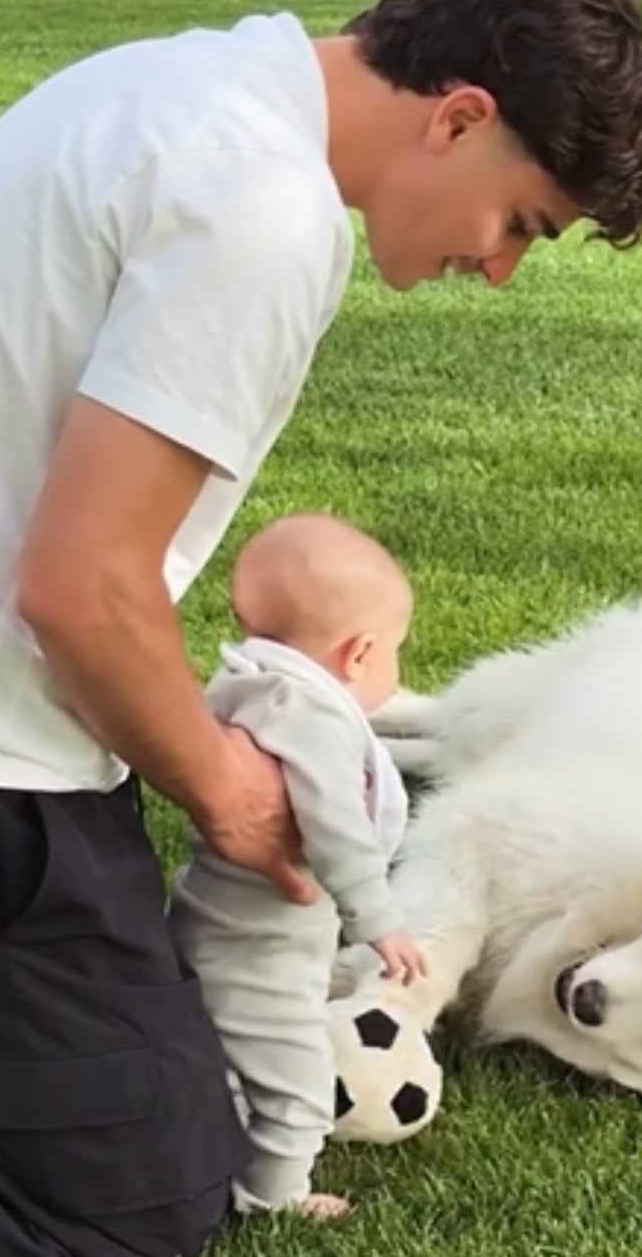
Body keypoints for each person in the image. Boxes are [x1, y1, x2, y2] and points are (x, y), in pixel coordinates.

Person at [0, 0, 642, 1254]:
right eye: (521, 221)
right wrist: (234, 795)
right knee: (140, 1201)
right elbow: (78, 589)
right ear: (460, 117)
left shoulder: (181, 88)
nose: (501, 266)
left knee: (175, 1108)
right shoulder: (264, 211)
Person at [167, 512, 423, 1223]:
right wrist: (380, 920)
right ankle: (271, 1197)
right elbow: (335, 824)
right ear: (361, 652)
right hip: (264, 951)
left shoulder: (247, 686)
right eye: (397, 651)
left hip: (217, 922)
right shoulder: (309, 716)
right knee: (299, 1082)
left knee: (230, 1062)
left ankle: (219, 1150)